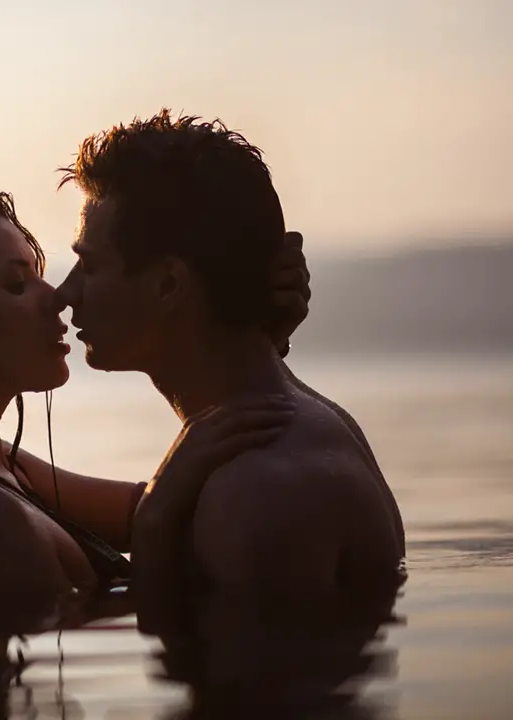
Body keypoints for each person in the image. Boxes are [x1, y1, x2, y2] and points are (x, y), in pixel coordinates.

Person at [53, 109, 406, 711]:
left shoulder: (258, 489)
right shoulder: (288, 427)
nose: (65, 294)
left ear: (168, 286)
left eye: (89, 264)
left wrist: (159, 527)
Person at [0, 186, 309, 615]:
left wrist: (250, 334)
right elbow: (160, 625)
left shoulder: (4, 468)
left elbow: (151, 510)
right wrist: (164, 507)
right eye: (16, 285)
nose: (56, 298)